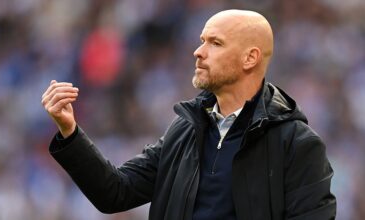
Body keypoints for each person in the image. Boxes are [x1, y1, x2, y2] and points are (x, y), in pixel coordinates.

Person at [41, 9, 336, 220]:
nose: (198, 51)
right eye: (202, 40)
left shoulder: (296, 144)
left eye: (215, 43)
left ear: (250, 58)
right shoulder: (184, 130)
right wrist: (70, 132)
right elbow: (116, 192)